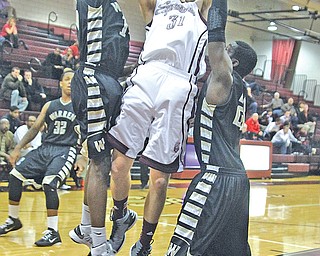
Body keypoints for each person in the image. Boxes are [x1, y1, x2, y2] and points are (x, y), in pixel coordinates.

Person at [106, 0, 210, 254]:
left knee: (160, 180)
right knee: (118, 165)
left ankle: (144, 242)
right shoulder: (157, 5)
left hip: (179, 83)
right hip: (147, 75)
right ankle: (120, 217)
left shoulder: (200, 7)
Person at [165, 0, 257, 254]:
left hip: (215, 178)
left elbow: (215, 39)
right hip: (239, 181)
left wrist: (218, 4)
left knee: (183, 249)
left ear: (234, 63)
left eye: (229, 51)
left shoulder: (224, 78)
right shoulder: (240, 90)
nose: (222, 52)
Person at [68, 1, 130, 256]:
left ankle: (85, 227)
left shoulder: (113, 8)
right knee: (99, 164)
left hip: (107, 82)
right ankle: (99, 245)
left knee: (101, 162)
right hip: (94, 81)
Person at [0, 69, 79, 247]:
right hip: (46, 148)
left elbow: (87, 132)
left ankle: (53, 231)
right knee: (15, 176)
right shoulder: (49, 105)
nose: (69, 82)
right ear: (60, 83)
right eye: (66, 79)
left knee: (49, 184)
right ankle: (13, 219)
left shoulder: (80, 106)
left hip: (66, 150)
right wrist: (18, 148)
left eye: (72, 80)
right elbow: (35, 128)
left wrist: (83, 157)